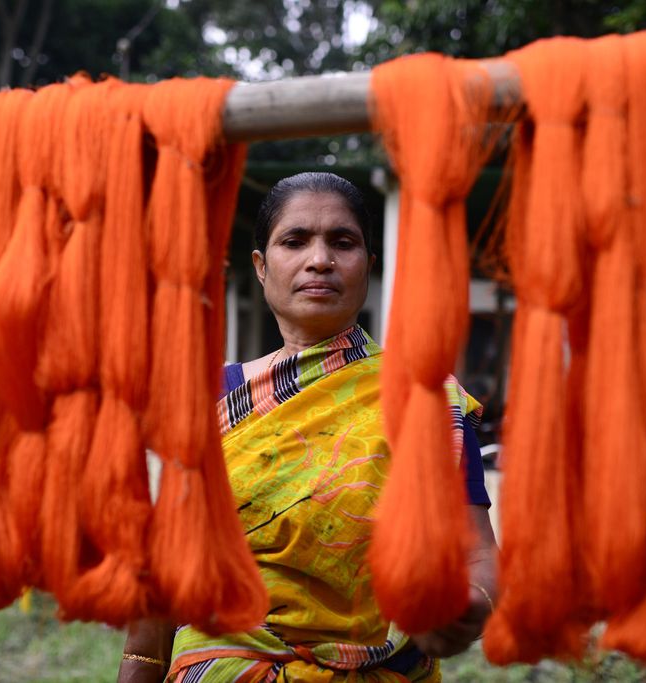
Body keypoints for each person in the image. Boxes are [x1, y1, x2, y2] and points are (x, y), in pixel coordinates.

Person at [119, 172, 498, 682]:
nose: (320, 259)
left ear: (369, 265)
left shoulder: (425, 400)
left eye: (343, 242)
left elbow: (478, 555)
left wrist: (470, 606)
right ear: (261, 265)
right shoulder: (213, 398)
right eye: (294, 241)